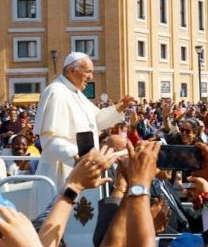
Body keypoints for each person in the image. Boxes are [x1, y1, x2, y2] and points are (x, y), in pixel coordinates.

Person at [33, 52, 135, 188]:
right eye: (88, 72)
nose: (91, 77)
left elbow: (97, 120)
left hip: (83, 168)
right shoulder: (56, 92)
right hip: (61, 171)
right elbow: (50, 140)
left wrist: (118, 108)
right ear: (72, 70)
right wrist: (79, 159)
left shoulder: (76, 93)